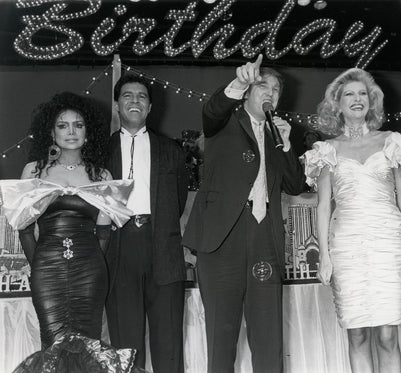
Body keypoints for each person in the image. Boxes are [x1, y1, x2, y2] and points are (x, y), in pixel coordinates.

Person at [182, 54, 306, 373]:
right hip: (223, 241)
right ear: (248, 91)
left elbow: (295, 185)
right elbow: (211, 112)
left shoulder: (277, 134)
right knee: (221, 341)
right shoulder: (224, 122)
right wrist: (236, 83)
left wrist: (289, 145)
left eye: (277, 89)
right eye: (263, 85)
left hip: (265, 238)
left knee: (269, 342)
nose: (271, 93)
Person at [0, 92, 140, 372]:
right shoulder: (34, 171)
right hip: (47, 269)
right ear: (51, 132)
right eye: (63, 126)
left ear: (88, 133)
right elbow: (24, 228)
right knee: (52, 347)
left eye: (78, 125)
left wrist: (92, 264)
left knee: (89, 346)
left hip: (89, 270)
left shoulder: (100, 176)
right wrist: (38, 264)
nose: (71, 131)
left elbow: (104, 233)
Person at [302, 68, 401, 373]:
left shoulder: (392, 142)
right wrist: (324, 257)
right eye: (349, 94)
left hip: (389, 244)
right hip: (346, 246)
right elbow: (322, 206)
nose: (357, 99)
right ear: (337, 104)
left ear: (371, 102)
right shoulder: (325, 151)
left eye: (363, 93)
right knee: (357, 333)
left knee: (388, 335)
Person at [105, 75, 189, 373]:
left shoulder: (171, 150)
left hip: (162, 248)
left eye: (141, 96)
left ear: (150, 106)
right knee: (125, 344)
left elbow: (178, 200)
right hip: (118, 250)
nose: (135, 101)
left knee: (169, 345)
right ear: (117, 105)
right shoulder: (100, 150)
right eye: (127, 96)